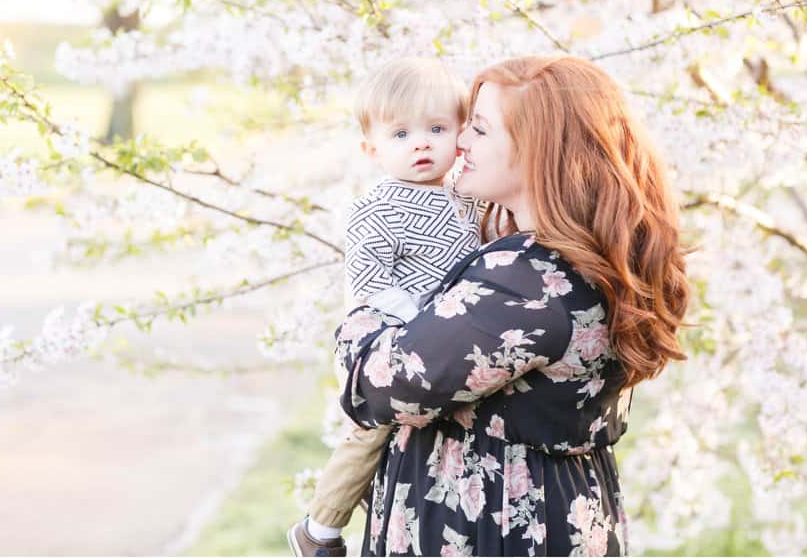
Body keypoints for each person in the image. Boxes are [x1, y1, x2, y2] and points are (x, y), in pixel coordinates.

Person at [334, 55, 690, 556]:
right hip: (558, 508)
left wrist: (363, 308)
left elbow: (378, 385)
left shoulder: (524, 282)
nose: (458, 142)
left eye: (477, 129)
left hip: (490, 525)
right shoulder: (584, 253)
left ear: (535, 150)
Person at [288, 58, 483, 557]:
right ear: (371, 149)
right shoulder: (377, 208)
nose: (421, 142)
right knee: (370, 434)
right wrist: (418, 326)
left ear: (461, 134)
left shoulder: (468, 196)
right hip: (390, 334)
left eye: (436, 128)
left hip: (445, 343)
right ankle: (320, 527)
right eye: (401, 134)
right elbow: (372, 283)